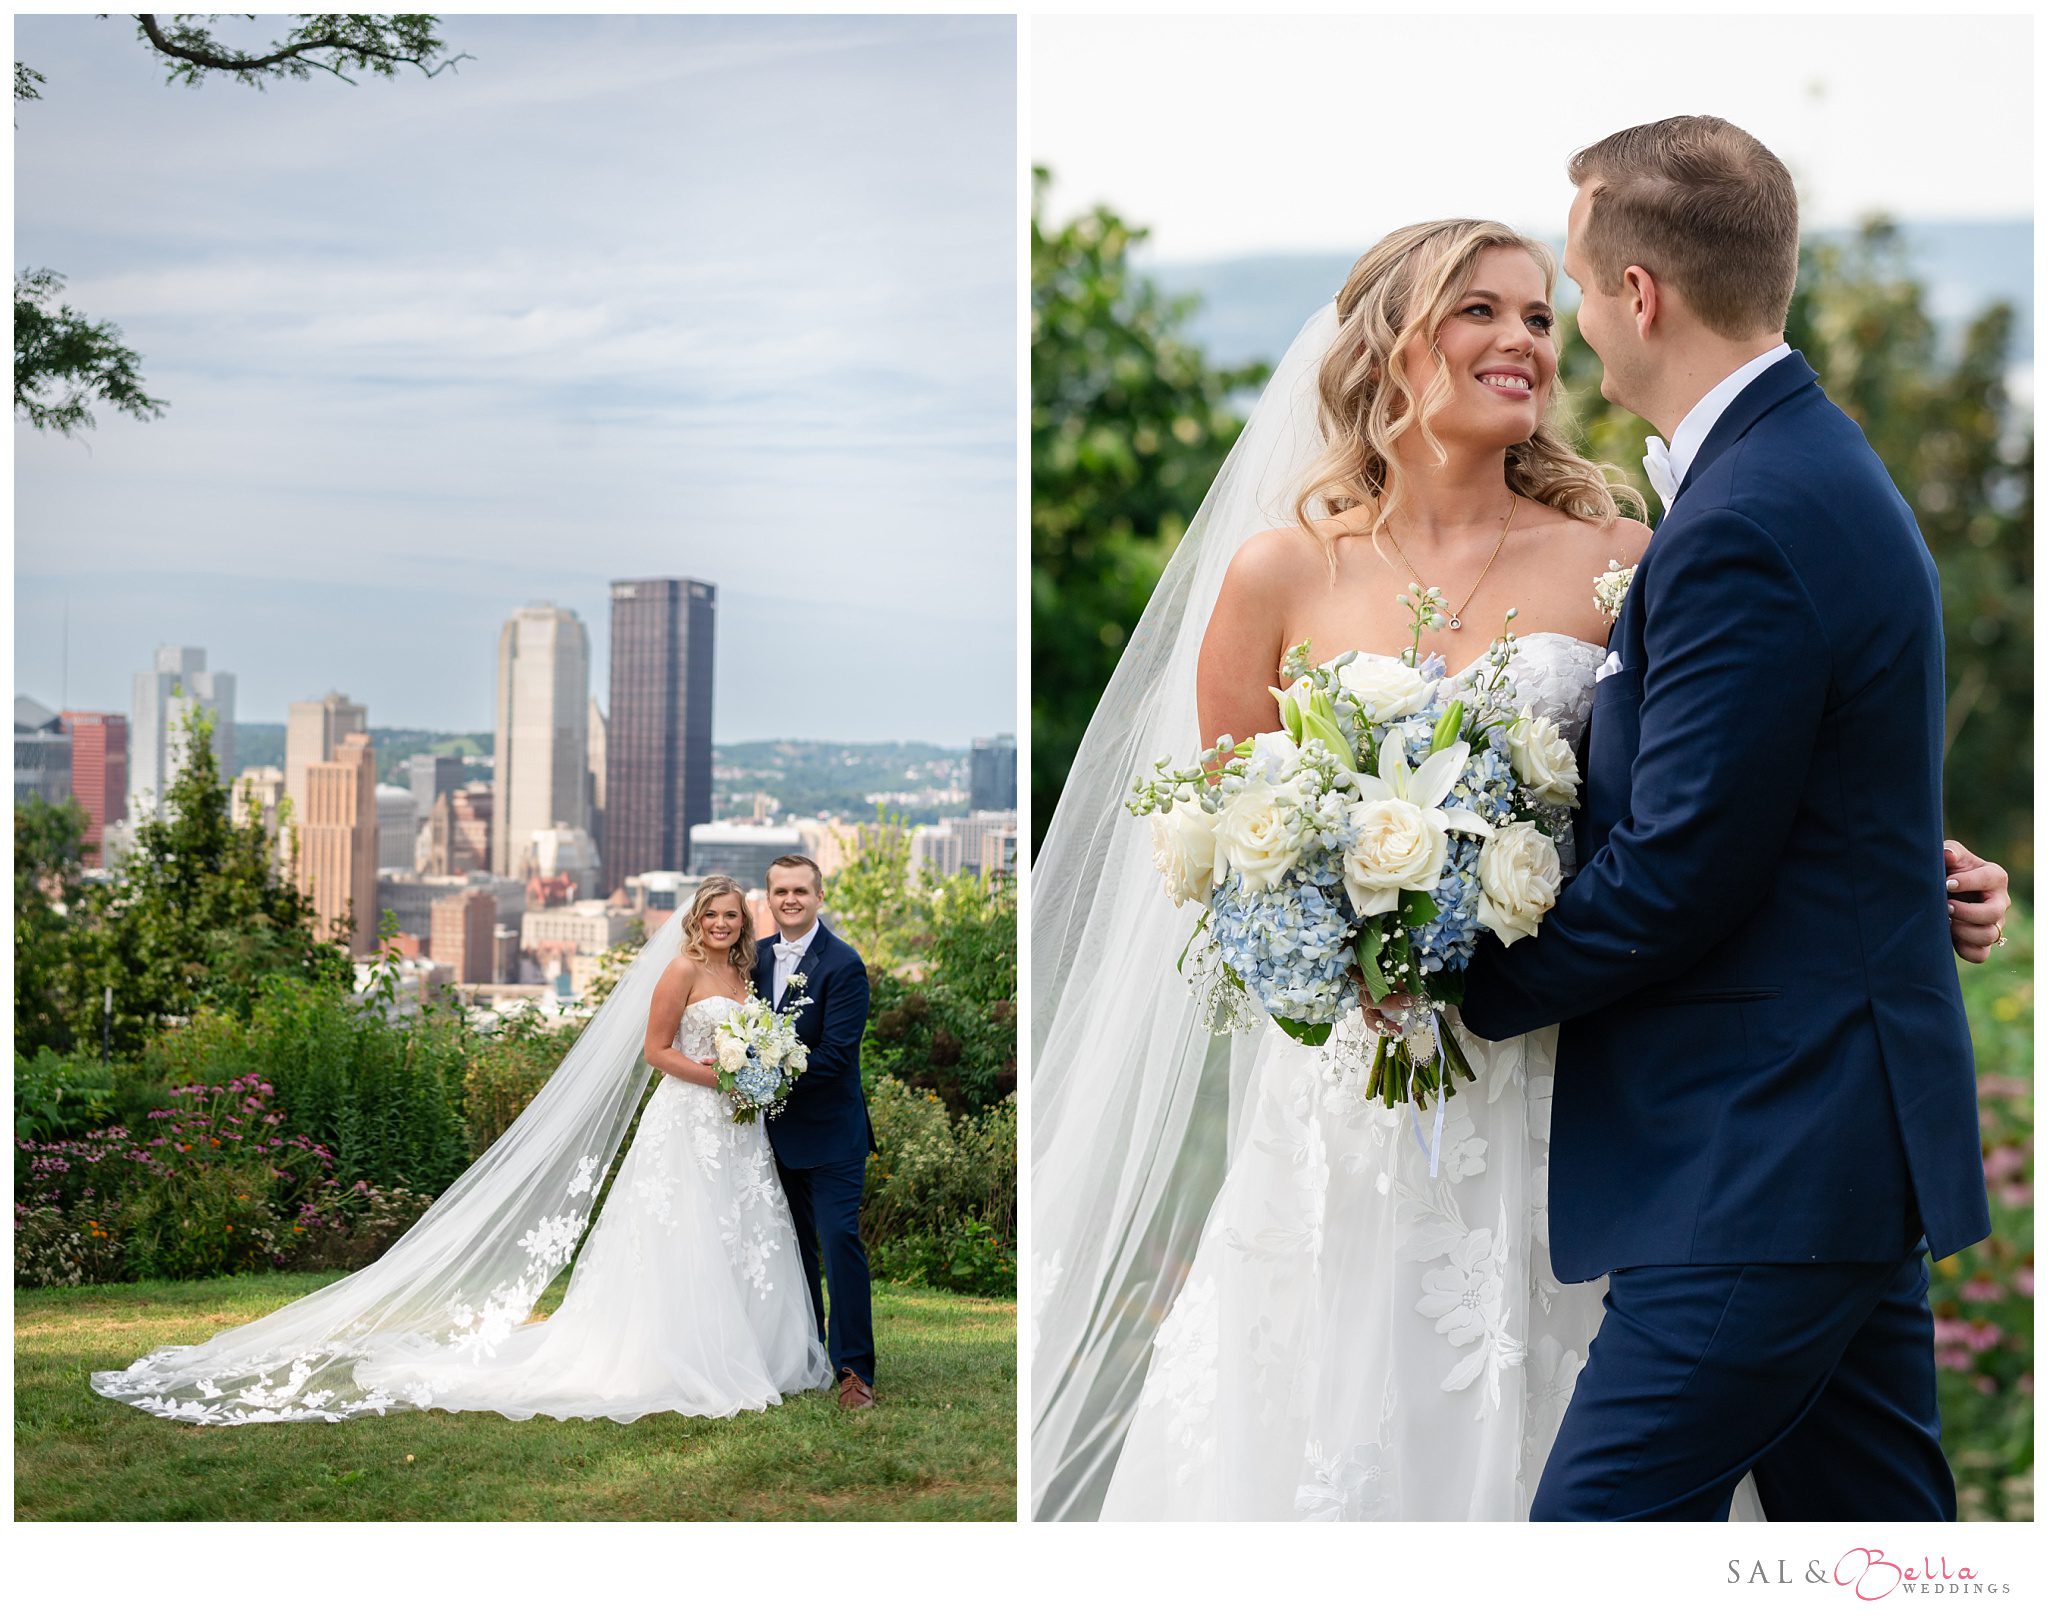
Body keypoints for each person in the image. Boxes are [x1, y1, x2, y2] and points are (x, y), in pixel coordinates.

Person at [1029, 178, 2009, 1516]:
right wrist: (1338, 946)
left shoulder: (1625, 556)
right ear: (1388, 346)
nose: (1526, 340)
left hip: (1564, 1082)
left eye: (1545, 314)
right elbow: (1224, 857)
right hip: (1352, 1105)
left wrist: (1905, 868)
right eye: (1478, 309)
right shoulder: (1278, 576)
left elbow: (1726, 777)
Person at [1450, 116, 1998, 1521]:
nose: (1573, 323)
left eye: (1574, 287)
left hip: (1761, 1160)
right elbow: (1798, 802)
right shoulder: (1800, 466)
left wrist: (1460, 980)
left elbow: (1682, 869)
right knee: (1875, 1552)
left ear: (1641, 293)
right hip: (1823, 1148)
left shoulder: (1748, 511)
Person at [91, 875, 832, 1424]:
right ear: (695, 920)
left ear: (744, 924)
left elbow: (758, 1041)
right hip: (687, 1120)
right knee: (681, 1237)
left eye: (734, 916)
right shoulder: (679, 971)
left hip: (736, 1133)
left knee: (744, 1235)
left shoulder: (744, 972)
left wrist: (757, 1077)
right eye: (714, 915)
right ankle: (673, 1354)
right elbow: (654, 1051)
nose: (724, 926)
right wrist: (721, 1076)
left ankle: (755, 1353)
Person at [754, 852, 878, 1410]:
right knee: (790, 1250)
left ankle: (856, 1371)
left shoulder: (844, 965)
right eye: (780, 892)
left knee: (838, 1242)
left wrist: (760, 1081)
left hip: (831, 1137)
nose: (790, 900)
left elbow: (833, 1058)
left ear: (818, 896)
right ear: (769, 898)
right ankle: (805, 1356)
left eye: (800, 891)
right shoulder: (752, 960)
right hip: (767, 1138)